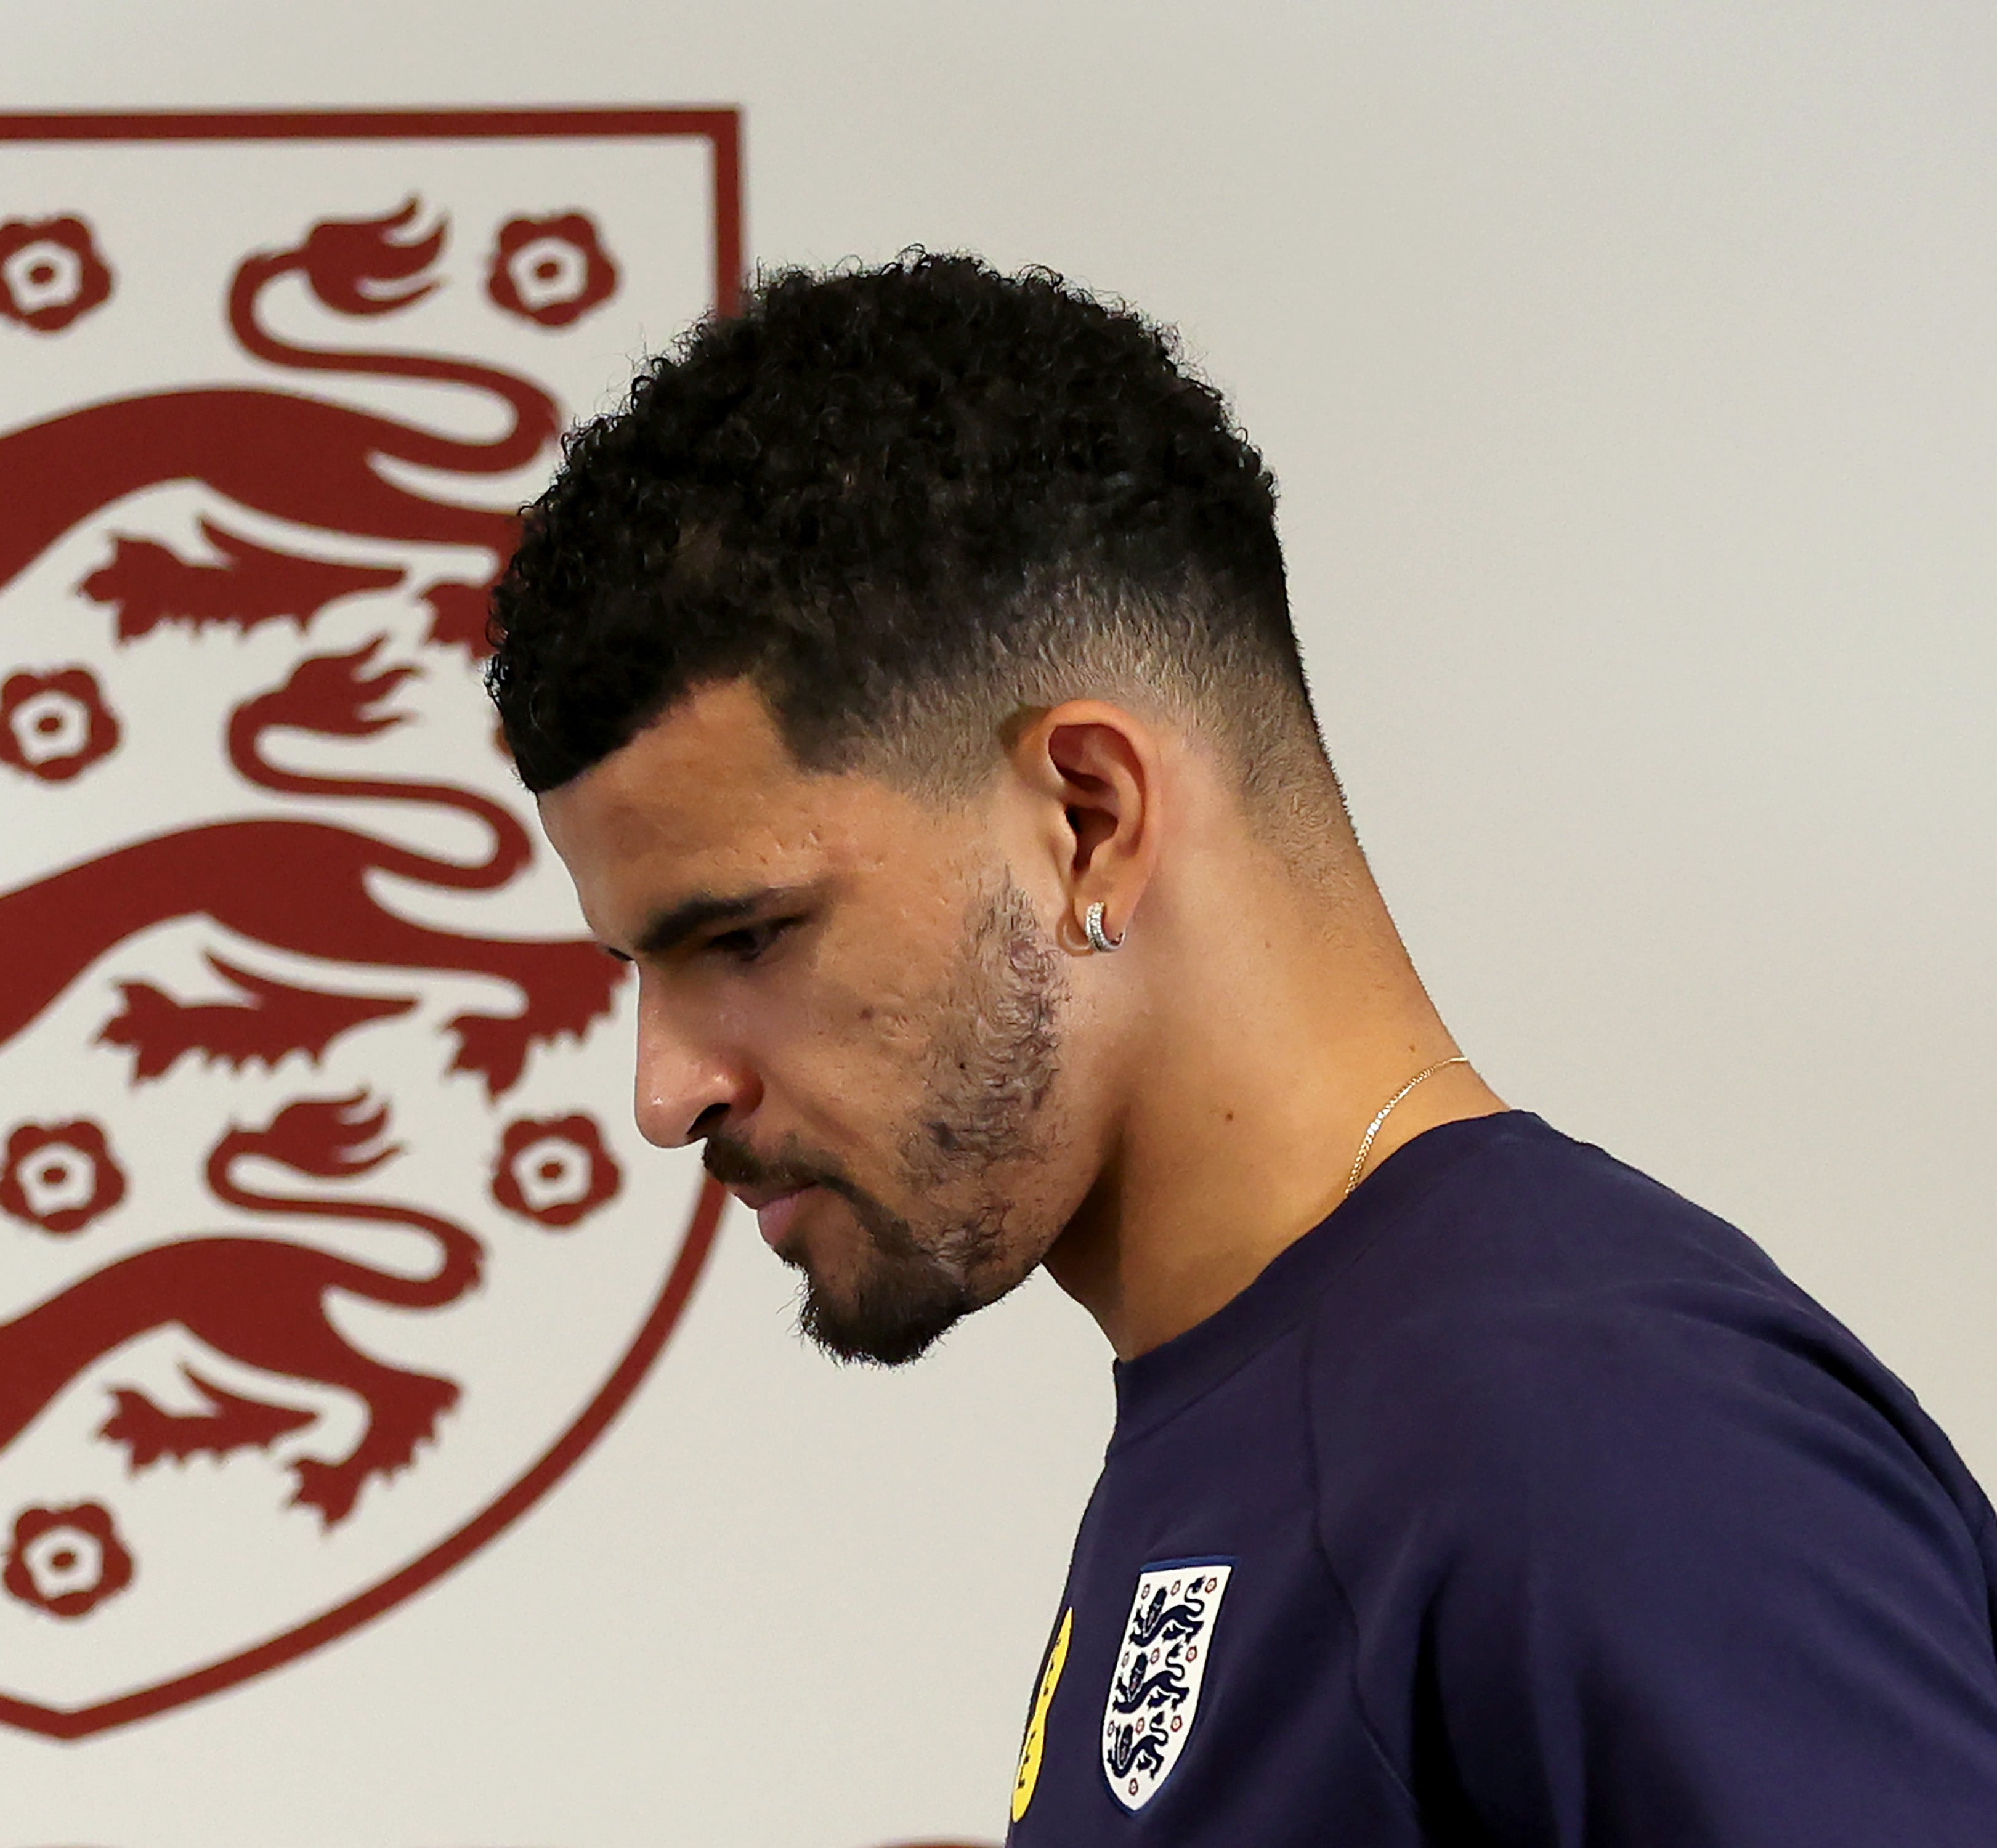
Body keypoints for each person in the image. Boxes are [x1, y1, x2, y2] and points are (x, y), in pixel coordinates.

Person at [484, 254, 1997, 1842]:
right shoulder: (1312, 1406)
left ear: (1089, 821)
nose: (667, 1091)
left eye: (745, 937)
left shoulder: (1592, 1439)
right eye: (636, 967)